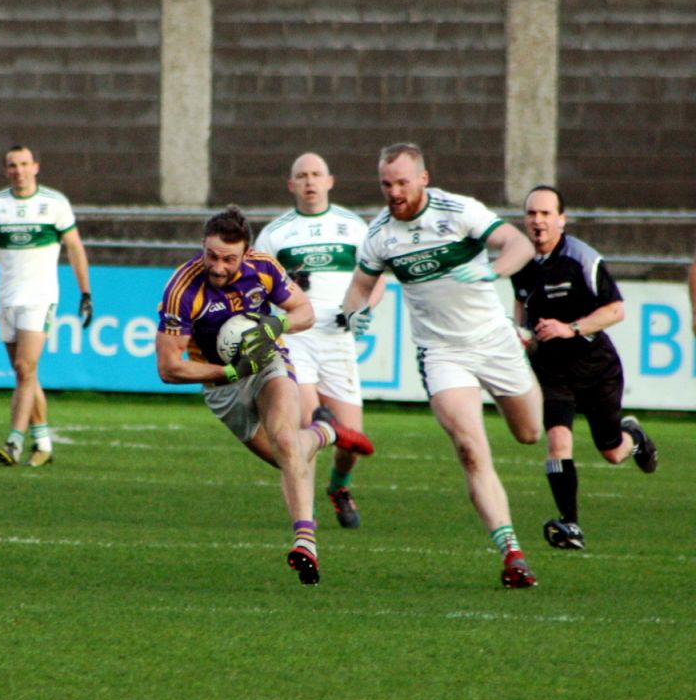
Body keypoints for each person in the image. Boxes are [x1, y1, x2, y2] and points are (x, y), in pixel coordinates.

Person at [340, 142, 541, 589]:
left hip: (494, 340)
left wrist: (493, 271)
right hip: (441, 353)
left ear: (423, 179)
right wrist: (355, 315)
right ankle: (512, 553)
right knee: (470, 448)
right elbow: (359, 286)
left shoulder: (458, 211)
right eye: (386, 184)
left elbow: (519, 243)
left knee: (530, 434)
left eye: (401, 182)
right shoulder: (379, 235)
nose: (393, 192)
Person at [156, 206, 375, 586]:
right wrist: (227, 371)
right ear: (201, 248)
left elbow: (304, 311)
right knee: (284, 459)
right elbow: (169, 368)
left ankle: (305, 541)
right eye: (211, 256)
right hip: (221, 384)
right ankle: (326, 433)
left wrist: (277, 323)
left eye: (229, 258)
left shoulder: (264, 268)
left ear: (245, 253)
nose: (219, 267)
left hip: (268, 362)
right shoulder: (182, 288)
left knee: (287, 441)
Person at [511, 184, 658, 551]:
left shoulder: (581, 258)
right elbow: (521, 312)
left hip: (597, 369)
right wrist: (522, 337)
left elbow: (615, 310)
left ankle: (635, 438)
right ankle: (570, 523)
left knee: (611, 451)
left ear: (562, 219)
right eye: (531, 213)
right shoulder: (521, 263)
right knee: (558, 441)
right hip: (552, 372)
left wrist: (570, 328)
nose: (538, 221)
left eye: (546, 213)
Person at [254, 152, 386, 529]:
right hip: (296, 336)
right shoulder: (276, 234)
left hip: (338, 336)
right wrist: (285, 289)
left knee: (350, 441)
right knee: (310, 424)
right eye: (302, 175)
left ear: (330, 181)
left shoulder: (353, 226)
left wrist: (363, 311)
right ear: (291, 185)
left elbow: (376, 280)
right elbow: (259, 288)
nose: (310, 181)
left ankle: (339, 486)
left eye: (316, 174)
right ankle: (304, 520)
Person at [0, 145, 92, 467]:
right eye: (12, 165)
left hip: (40, 297)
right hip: (7, 297)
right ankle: (45, 442)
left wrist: (85, 293)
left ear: (36, 166)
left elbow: (75, 248)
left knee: (24, 368)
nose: (19, 170)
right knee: (25, 374)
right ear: (5, 170)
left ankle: (14, 443)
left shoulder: (54, 204)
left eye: (24, 164)